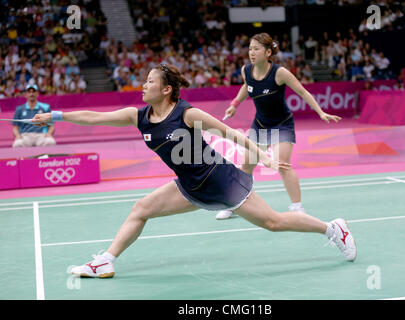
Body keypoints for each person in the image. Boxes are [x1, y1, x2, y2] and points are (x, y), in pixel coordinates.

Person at [32, 63, 357, 278]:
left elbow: (228, 133)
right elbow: (93, 117)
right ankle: (106, 260)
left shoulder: (187, 114)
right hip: (188, 185)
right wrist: (56, 116)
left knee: (273, 222)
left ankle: (333, 229)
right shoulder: (139, 116)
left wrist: (263, 155)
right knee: (141, 208)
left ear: (166, 90)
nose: (142, 86)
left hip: (221, 180)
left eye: (149, 82)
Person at [216, 33, 341, 220]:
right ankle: (236, 204)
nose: (251, 52)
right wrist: (235, 104)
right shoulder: (246, 70)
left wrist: (320, 112)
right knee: (246, 166)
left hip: (282, 124)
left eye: (256, 49)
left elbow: (302, 91)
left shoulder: (279, 73)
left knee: (283, 165)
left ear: (267, 52)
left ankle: (297, 207)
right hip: (260, 125)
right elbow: (246, 86)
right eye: (250, 48)